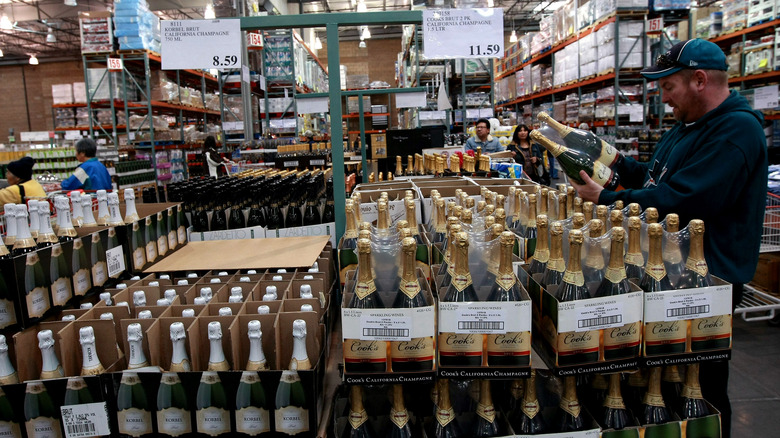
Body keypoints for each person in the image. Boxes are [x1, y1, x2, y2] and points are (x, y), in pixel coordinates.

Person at [571, 38, 768, 438]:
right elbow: (659, 179)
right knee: (670, 377)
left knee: (703, 383)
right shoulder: (688, 126)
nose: (664, 99)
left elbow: (686, 198)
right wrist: (621, 165)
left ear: (699, 79)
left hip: (709, 278)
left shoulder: (736, 131)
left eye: (668, 87)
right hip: (675, 272)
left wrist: (607, 199)